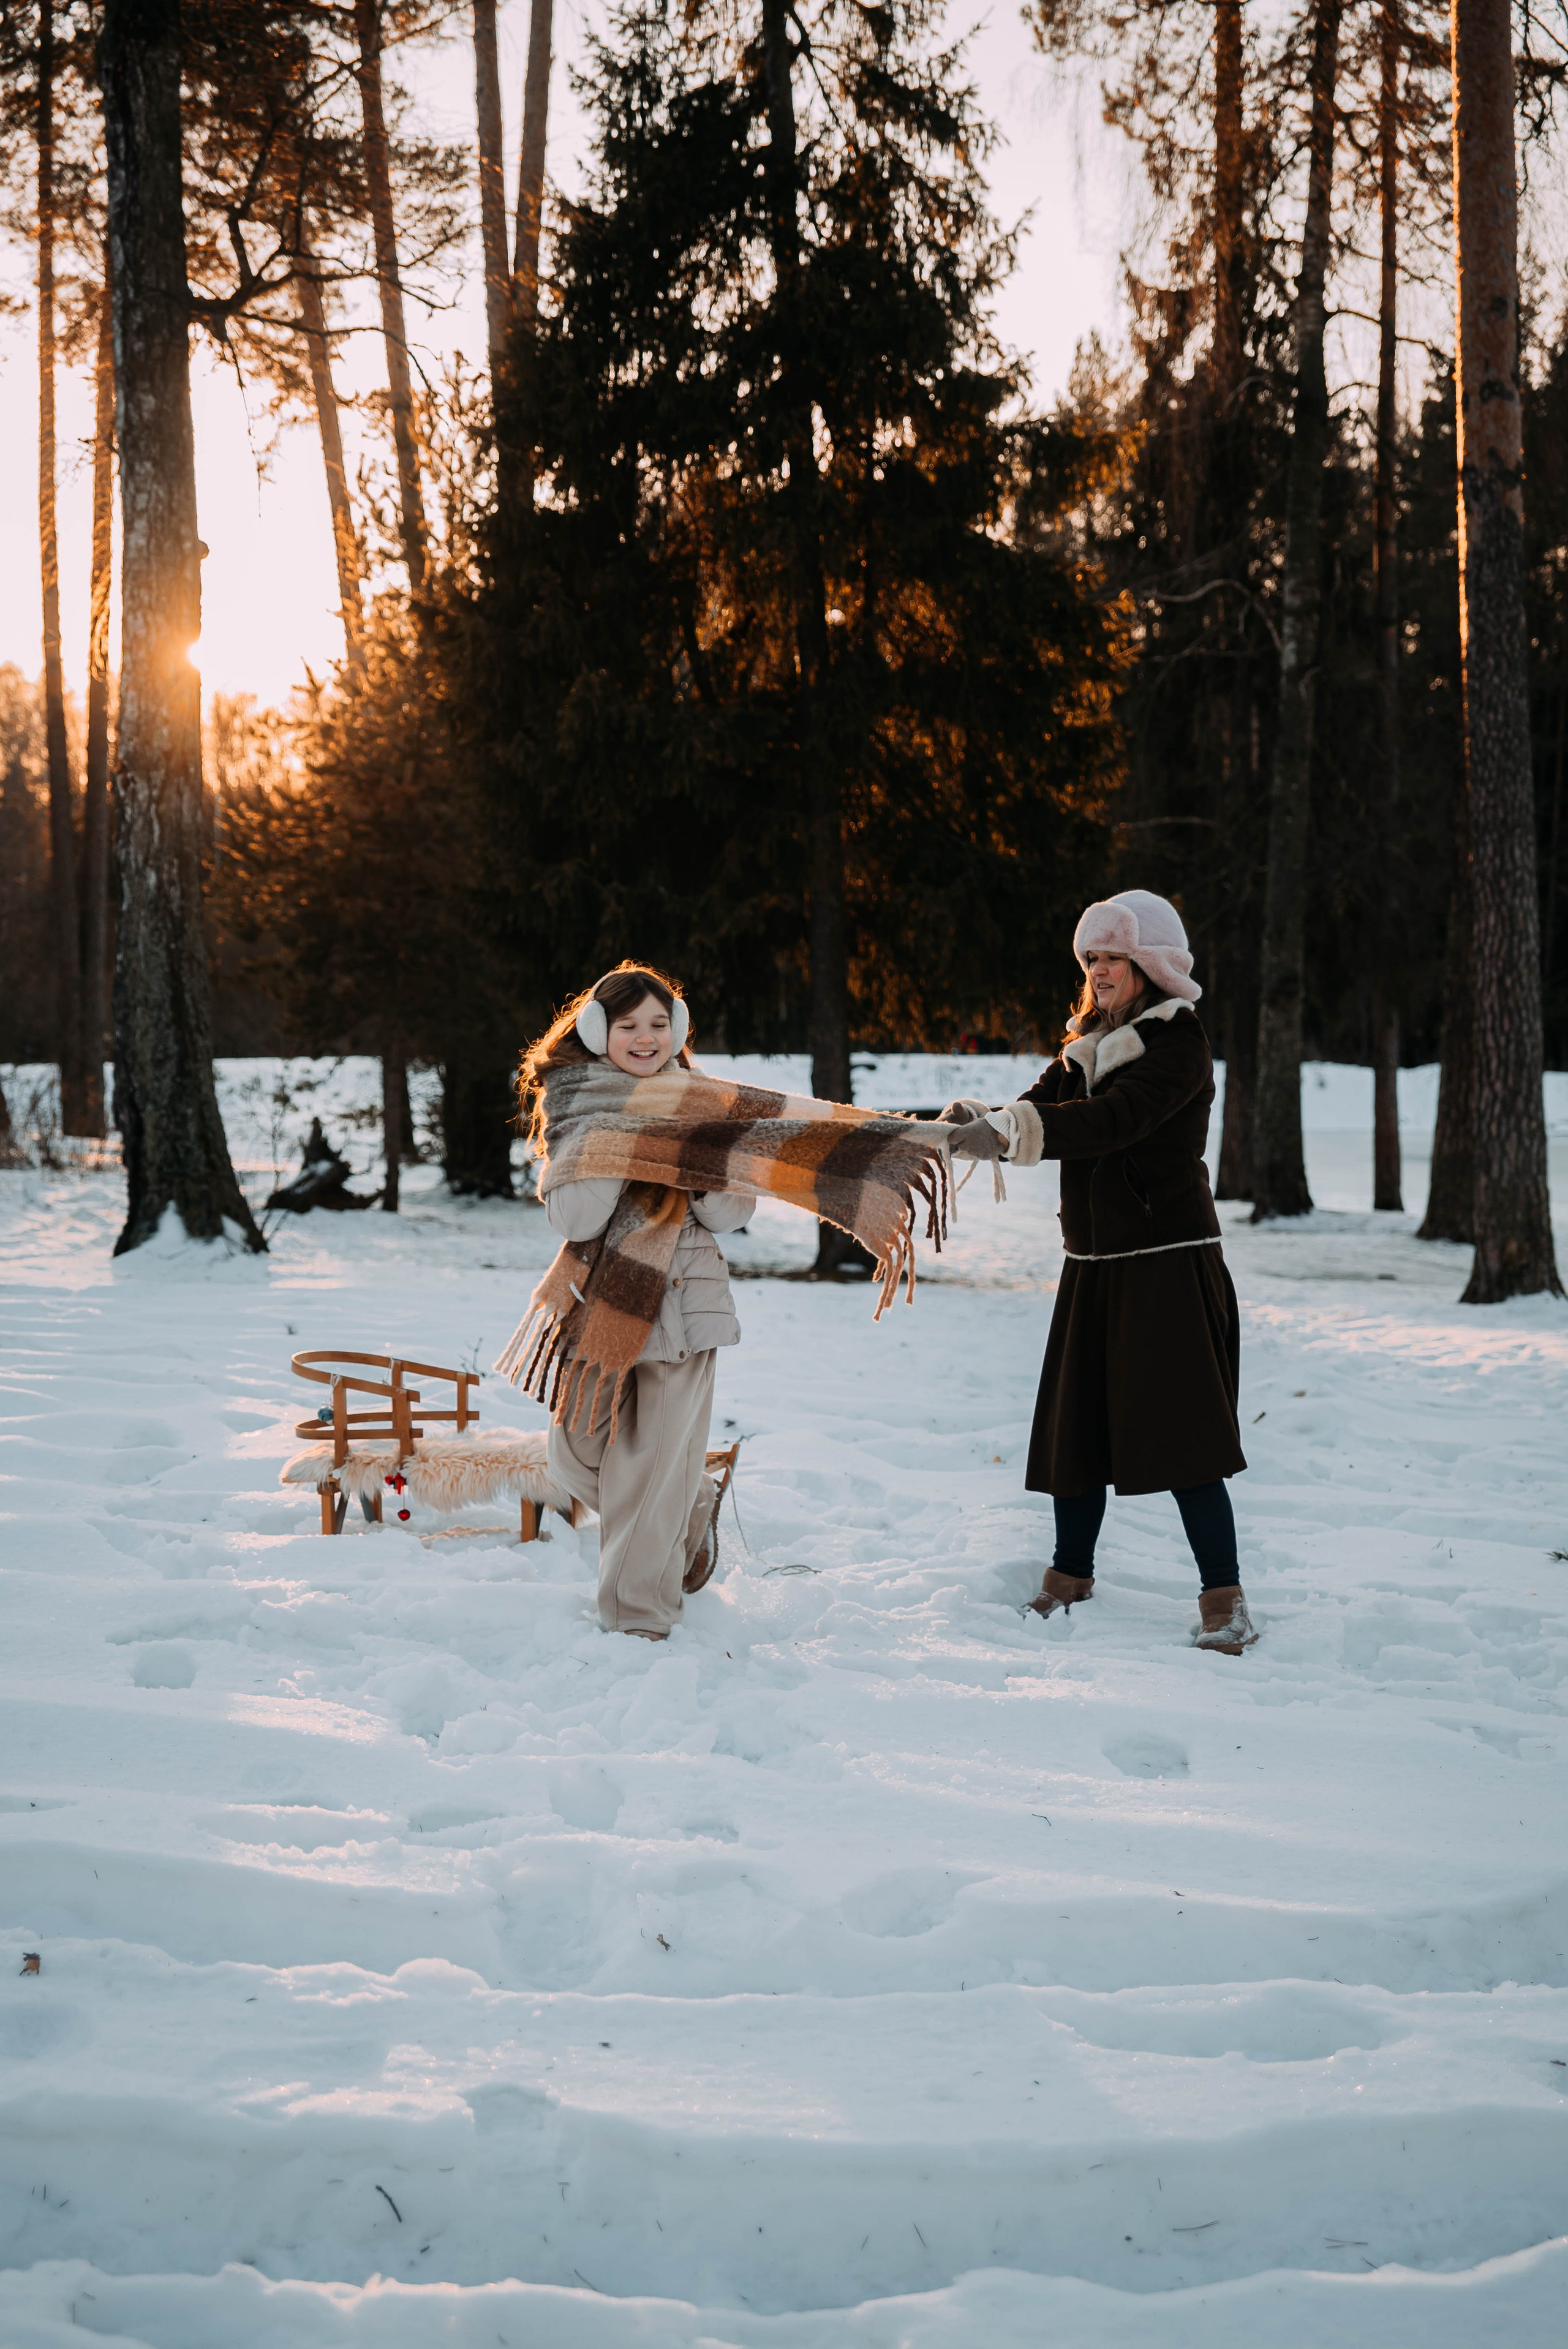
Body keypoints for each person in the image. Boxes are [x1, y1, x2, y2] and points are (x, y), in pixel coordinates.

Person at [498, 962, 952, 1639]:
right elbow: (576, 1221)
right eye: (629, 1026)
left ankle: (637, 1623)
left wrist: (699, 1157)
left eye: (659, 1024)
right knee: (575, 1456)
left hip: (684, 1303)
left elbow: (729, 1214)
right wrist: (622, 1143)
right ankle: (693, 1503)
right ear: (600, 1033)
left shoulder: (702, 1101)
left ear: (677, 1030)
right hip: (599, 1310)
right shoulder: (578, 1103)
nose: (646, 1038)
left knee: (649, 1473)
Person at [944, 890, 1256, 1653]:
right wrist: (973, 1121)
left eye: (1111, 957)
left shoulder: (1177, 1040)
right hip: (1092, 1264)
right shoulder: (1086, 1042)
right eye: (1090, 959)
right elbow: (1041, 1104)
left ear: (1148, 963)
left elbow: (1113, 1121)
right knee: (1074, 1431)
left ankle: (1224, 1597)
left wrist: (1014, 1134)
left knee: (1186, 1439)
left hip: (1166, 1265)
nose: (1098, 971)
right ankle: (1069, 1575)